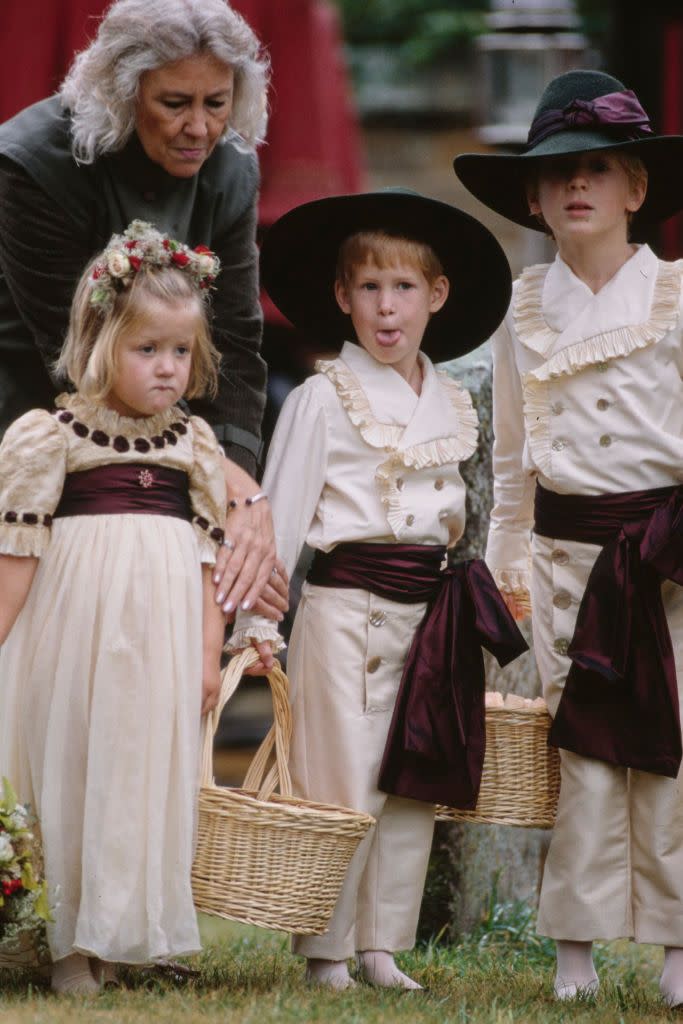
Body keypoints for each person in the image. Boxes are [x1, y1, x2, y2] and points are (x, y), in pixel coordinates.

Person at [229, 190, 526, 990]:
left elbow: (458, 521)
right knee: (344, 775)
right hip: (344, 612)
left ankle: (380, 946)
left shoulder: (451, 402)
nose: (385, 309)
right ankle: (326, 948)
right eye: (367, 289)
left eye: (402, 289)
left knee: (410, 776)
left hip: (427, 616)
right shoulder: (326, 398)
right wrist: (259, 623)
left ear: (435, 296)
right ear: (341, 298)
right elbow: (281, 519)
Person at [454, 69, 683, 1004]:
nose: (575, 186)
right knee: (580, 750)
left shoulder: (676, 300)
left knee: (669, 750)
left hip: (666, 560)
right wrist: (506, 558)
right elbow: (512, 462)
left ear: (635, 188)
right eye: (555, 174)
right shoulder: (524, 309)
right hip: (563, 564)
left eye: (596, 169)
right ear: (533, 198)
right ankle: (574, 951)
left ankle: (675, 949)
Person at [0, 221, 231, 993]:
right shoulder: (51, 437)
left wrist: (207, 652)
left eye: (179, 352)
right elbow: (18, 556)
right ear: (100, 342)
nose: (166, 368)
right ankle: (68, 942)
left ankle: (120, 928)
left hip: (159, 640)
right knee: (72, 763)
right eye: (147, 350)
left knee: (137, 773)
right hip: (75, 634)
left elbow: (208, 561)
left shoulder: (193, 444)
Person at [0, 0, 285, 615]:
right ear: (120, 94)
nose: (201, 129)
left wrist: (239, 497)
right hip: (34, 426)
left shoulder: (231, 168)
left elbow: (235, 341)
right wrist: (219, 483)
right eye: (175, 104)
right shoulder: (31, 162)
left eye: (217, 102)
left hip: (166, 427)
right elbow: (81, 355)